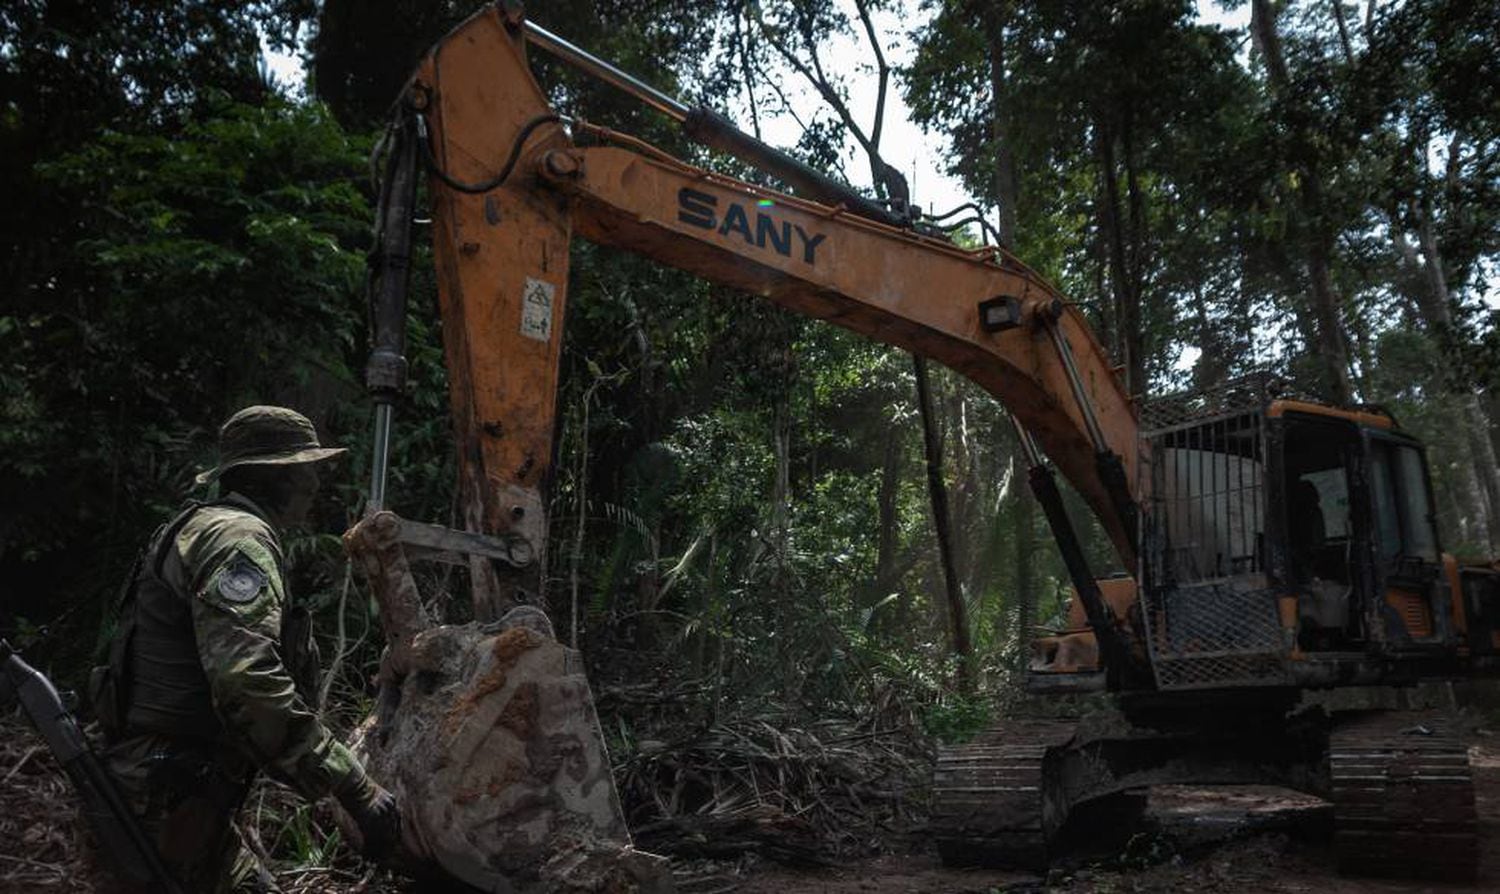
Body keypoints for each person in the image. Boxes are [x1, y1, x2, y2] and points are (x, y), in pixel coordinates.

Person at [90, 406, 399, 893]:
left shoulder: (204, 527)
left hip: (170, 789)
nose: (317, 485)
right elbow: (246, 679)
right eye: (307, 470)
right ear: (275, 476)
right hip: (165, 798)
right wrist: (355, 787)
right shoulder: (239, 540)